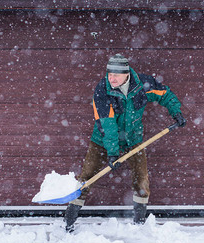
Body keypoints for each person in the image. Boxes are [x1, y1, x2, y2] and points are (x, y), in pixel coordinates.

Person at [64, 54, 186, 232]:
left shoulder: (142, 85)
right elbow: (107, 124)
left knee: (141, 177)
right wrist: (112, 152)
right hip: (102, 140)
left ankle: (139, 223)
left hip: (133, 139)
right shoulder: (102, 90)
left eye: (115, 75)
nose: (111, 78)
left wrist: (176, 112)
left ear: (126, 74)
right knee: (88, 177)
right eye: (109, 74)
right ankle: (69, 220)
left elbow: (164, 94)